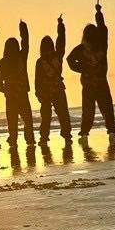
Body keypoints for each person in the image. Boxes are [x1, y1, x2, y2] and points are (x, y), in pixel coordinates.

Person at [67, 0, 115, 139]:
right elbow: (103, 28)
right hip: (99, 82)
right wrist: (98, 12)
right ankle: (111, 131)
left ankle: (84, 133)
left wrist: (82, 69)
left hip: (89, 83)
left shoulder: (82, 48)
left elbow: (69, 60)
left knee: (88, 110)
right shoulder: (102, 45)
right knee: (106, 108)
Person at [0, 20, 36, 147]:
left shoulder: (3, 62)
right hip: (21, 93)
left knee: (12, 121)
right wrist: (23, 28)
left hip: (11, 95)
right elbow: (26, 43)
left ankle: (13, 140)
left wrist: (3, 89)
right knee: (27, 120)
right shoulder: (21, 57)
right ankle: (29, 139)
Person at [35, 14, 72, 143]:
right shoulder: (58, 55)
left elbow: (37, 80)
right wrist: (60, 25)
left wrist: (38, 94)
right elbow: (61, 39)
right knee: (63, 114)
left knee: (46, 116)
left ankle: (44, 137)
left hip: (46, 91)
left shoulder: (40, 61)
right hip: (57, 89)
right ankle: (66, 135)